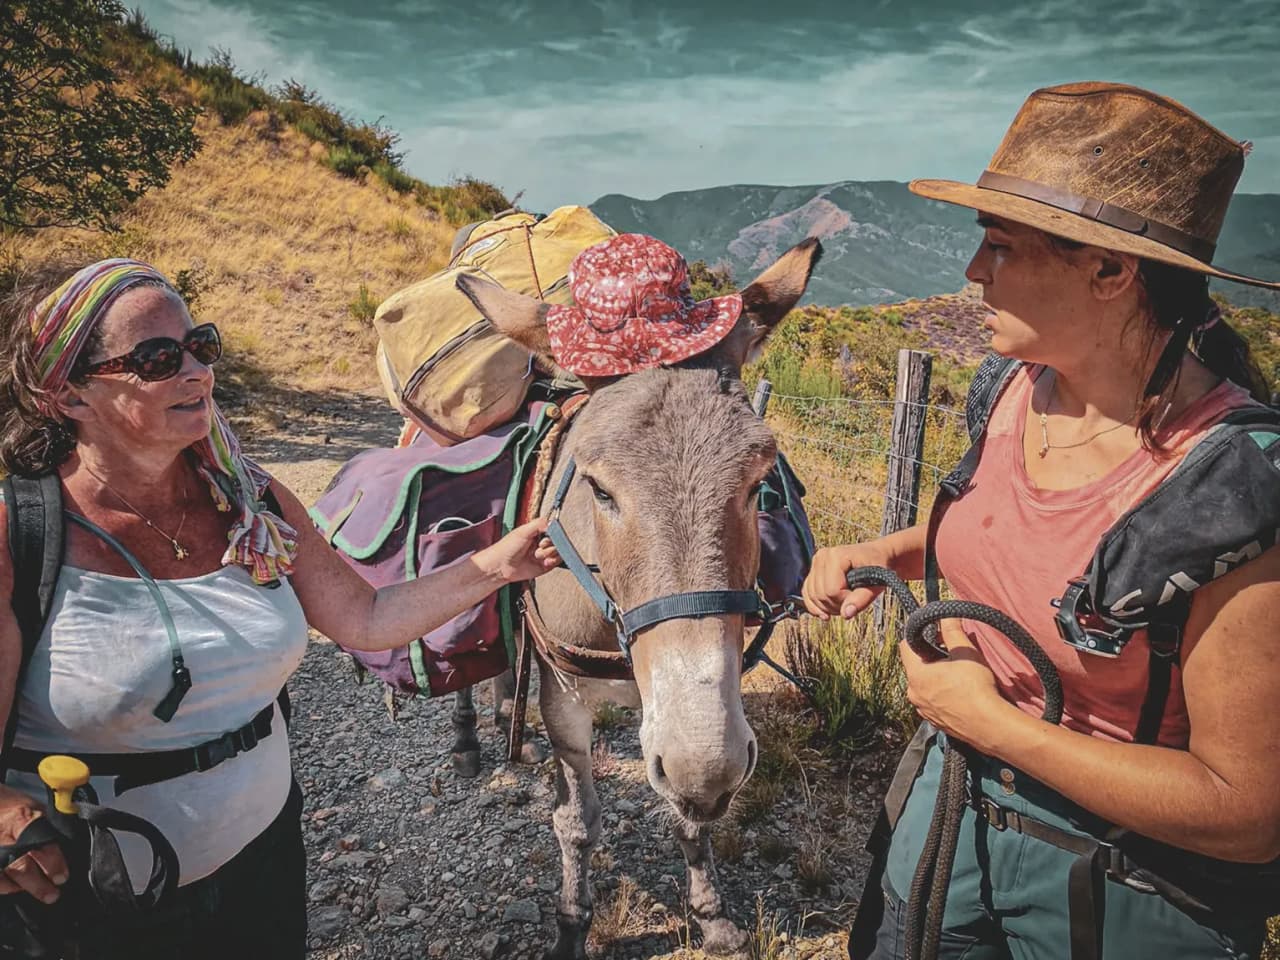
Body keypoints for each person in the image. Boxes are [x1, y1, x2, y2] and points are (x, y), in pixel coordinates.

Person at [802, 82, 1280, 959]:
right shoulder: (1013, 394)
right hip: (952, 810)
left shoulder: (1232, 489)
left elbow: (1248, 813)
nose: (973, 273)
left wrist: (999, 728)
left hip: (1129, 889)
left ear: (1109, 271)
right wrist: (884, 552)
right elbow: (1018, 545)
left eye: (999, 247)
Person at [0, 256, 561, 958]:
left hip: (260, 866)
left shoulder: (248, 499)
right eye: (157, 358)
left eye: (200, 346)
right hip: (91, 898)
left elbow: (367, 618)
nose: (197, 372)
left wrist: (496, 566)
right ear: (68, 395)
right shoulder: (19, 533)